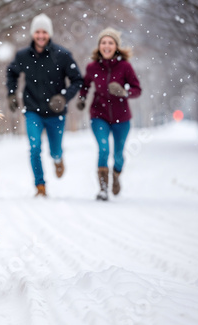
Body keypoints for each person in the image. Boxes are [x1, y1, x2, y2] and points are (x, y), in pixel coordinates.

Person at [6, 13, 83, 197]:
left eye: (44, 32)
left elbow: (77, 80)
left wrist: (64, 97)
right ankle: (40, 186)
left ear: (49, 34)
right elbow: (12, 73)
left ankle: (57, 159)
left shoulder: (63, 55)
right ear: (33, 33)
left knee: (54, 150)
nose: (41, 36)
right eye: (37, 32)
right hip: (33, 110)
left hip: (56, 113)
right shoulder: (23, 55)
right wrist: (11, 94)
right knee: (34, 148)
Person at [77, 27, 142, 201]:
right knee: (104, 149)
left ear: (116, 46)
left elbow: (137, 89)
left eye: (110, 43)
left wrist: (124, 92)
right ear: (99, 46)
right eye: (103, 42)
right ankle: (103, 189)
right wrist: (82, 99)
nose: (107, 46)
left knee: (118, 154)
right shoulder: (92, 67)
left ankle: (116, 176)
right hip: (99, 115)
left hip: (122, 117)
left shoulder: (125, 66)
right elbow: (84, 86)